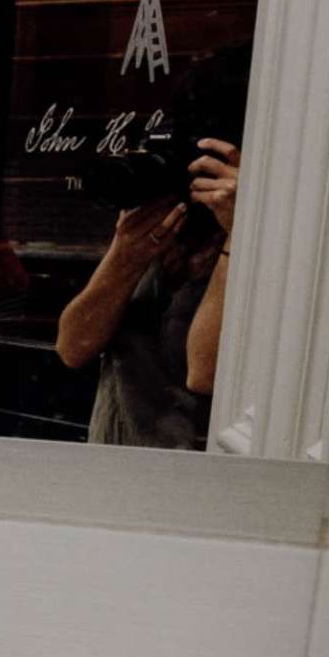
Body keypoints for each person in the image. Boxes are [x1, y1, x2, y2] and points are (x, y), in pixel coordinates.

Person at [57, 136, 237, 449]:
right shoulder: (160, 232)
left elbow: (204, 373)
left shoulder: (245, 242)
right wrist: (124, 258)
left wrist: (240, 228)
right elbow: (72, 347)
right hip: (113, 459)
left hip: (182, 472)